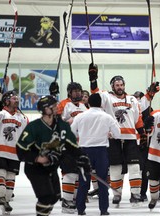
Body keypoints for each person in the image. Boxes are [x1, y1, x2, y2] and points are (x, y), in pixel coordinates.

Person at [16, 95, 91, 216]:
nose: (57, 108)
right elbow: (21, 150)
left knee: (55, 197)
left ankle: (44, 212)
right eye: (54, 106)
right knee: (46, 197)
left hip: (51, 167)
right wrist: (37, 158)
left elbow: (72, 146)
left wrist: (82, 157)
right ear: (46, 109)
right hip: (35, 168)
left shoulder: (62, 125)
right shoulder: (34, 127)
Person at [88, 63, 147, 206]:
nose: (119, 87)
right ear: (113, 86)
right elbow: (95, 95)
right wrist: (93, 79)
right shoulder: (107, 97)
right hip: (113, 138)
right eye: (117, 85)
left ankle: (135, 194)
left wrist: (143, 134)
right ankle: (117, 194)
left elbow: (138, 118)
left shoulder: (132, 99)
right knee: (115, 167)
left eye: (121, 85)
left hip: (130, 139)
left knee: (134, 168)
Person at [71, 93, 121, 216]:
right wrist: (109, 134)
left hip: (84, 151)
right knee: (103, 181)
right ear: (101, 104)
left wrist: (81, 135)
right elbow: (118, 134)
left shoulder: (80, 116)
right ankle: (103, 210)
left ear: (88, 103)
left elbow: (71, 133)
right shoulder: (107, 117)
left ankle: (80, 209)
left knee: (83, 182)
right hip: (101, 152)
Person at [0, 90, 28, 215]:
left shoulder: (22, 117)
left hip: (14, 153)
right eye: (14, 98)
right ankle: (1, 199)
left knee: (10, 178)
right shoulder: (1, 113)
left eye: (17, 98)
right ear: (7, 100)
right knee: (0, 174)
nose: (17, 100)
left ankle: (6, 203)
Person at [56, 82, 88, 213]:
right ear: (69, 92)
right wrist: (66, 122)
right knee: (69, 173)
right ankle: (67, 201)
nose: (78, 93)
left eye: (79, 90)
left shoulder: (84, 106)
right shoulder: (63, 104)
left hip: (81, 145)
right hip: (67, 145)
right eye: (75, 91)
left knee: (78, 174)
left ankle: (74, 199)